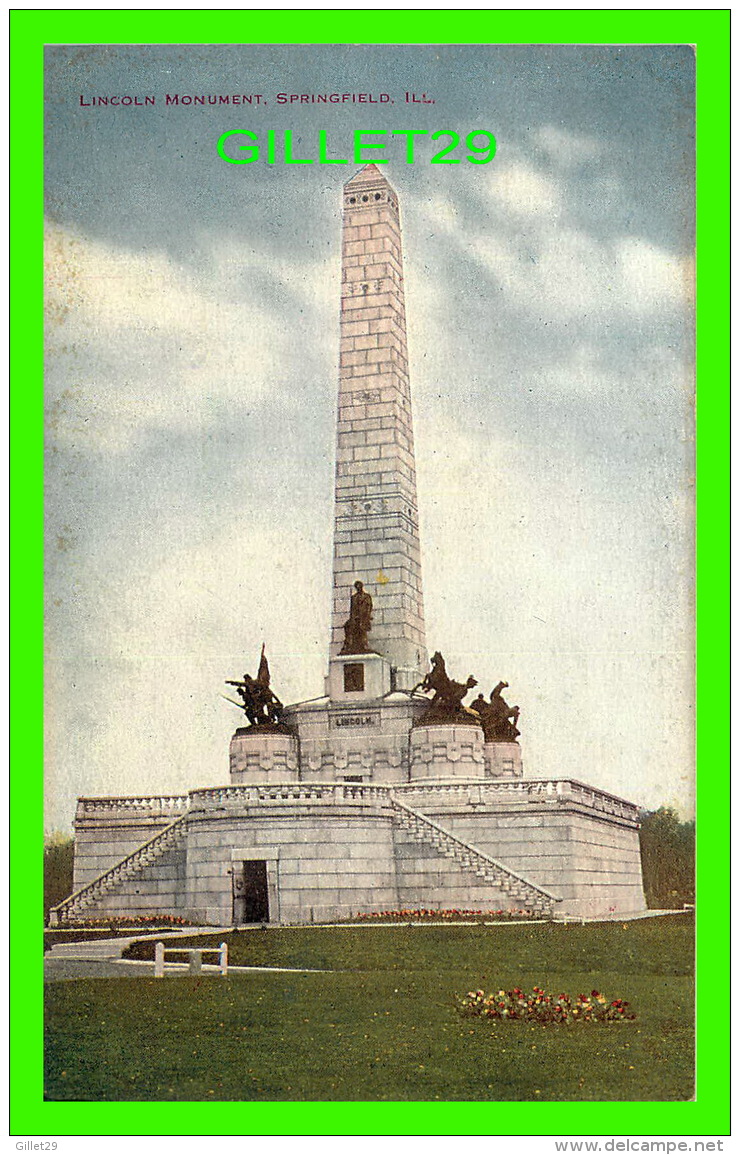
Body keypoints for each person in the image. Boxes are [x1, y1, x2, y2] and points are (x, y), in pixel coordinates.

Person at [340, 580, 373, 653]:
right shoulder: (353, 597)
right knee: (347, 626)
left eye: (359, 587)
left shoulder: (367, 596)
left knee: (361, 626)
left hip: (364, 617)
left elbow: (369, 607)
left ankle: (364, 645)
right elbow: (352, 610)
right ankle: (348, 644)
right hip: (355, 618)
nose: (358, 588)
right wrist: (352, 619)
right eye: (357, 587)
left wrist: (367, 616)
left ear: (362, 587)